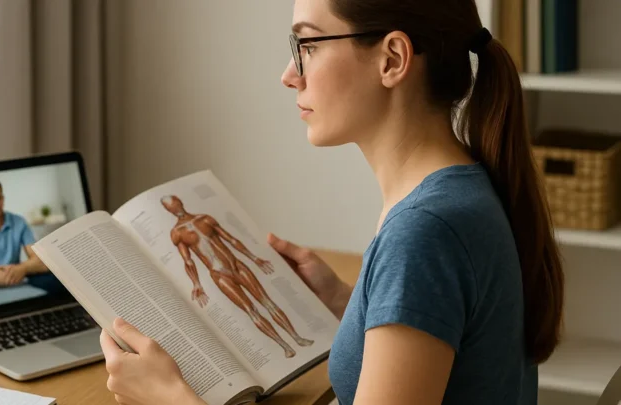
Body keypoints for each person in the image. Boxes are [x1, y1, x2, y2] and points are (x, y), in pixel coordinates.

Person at [96, 0, 565, 404]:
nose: (289, 75)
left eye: (309, 46)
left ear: (393, 59)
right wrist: (350, 303)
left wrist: (172, 398)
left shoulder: (425, 231)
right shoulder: (460, 190)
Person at [162, 194, 313, 359]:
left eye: (174, 204)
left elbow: (231, 240)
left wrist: (254, 258)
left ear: (180, 201)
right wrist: (196, 284)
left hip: (238, 267)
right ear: (167, 210)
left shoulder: (205, 219)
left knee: (268, 302)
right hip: (220, 276)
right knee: (251, 311)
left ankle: (297, 338)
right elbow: (188, 261)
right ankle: (284, 346)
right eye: (169, 207)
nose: (174, 208)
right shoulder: (177, 233)